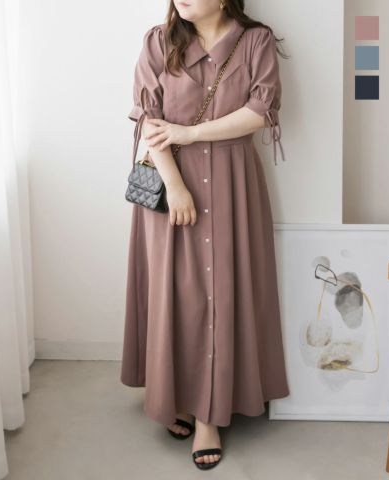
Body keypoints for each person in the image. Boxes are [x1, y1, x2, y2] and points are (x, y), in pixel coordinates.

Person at [121, 0, 290, 470]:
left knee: (222, 295)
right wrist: (176, 188)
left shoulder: (254, 41)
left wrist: (190, 134)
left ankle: (208, 418)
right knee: (177, 295)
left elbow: (260, 111)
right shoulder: (158, 41)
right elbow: (149, 121)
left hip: (233, 184)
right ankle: (175, 394)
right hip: (169, 181)